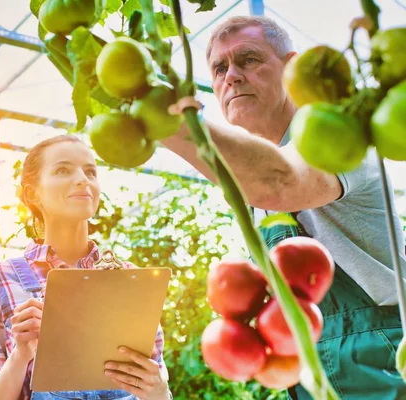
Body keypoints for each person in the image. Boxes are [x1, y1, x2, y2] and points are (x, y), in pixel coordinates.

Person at [165, 15, 406, 400]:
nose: (232, 76)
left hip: (379, 357)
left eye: (248, 60)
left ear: (292, 68)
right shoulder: (253, 181)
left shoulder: (337, 135)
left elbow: (280, 183)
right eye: (220, 68)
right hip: (312, 372)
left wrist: (167, 120)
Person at [0, 135, 171, 400]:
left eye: (90, 171)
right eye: (63, 170)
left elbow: (157, 390)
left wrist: (160, 391)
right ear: (32, 193)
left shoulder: (130, 279)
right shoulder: (0, 279)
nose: (83, 179)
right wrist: (21, 355)